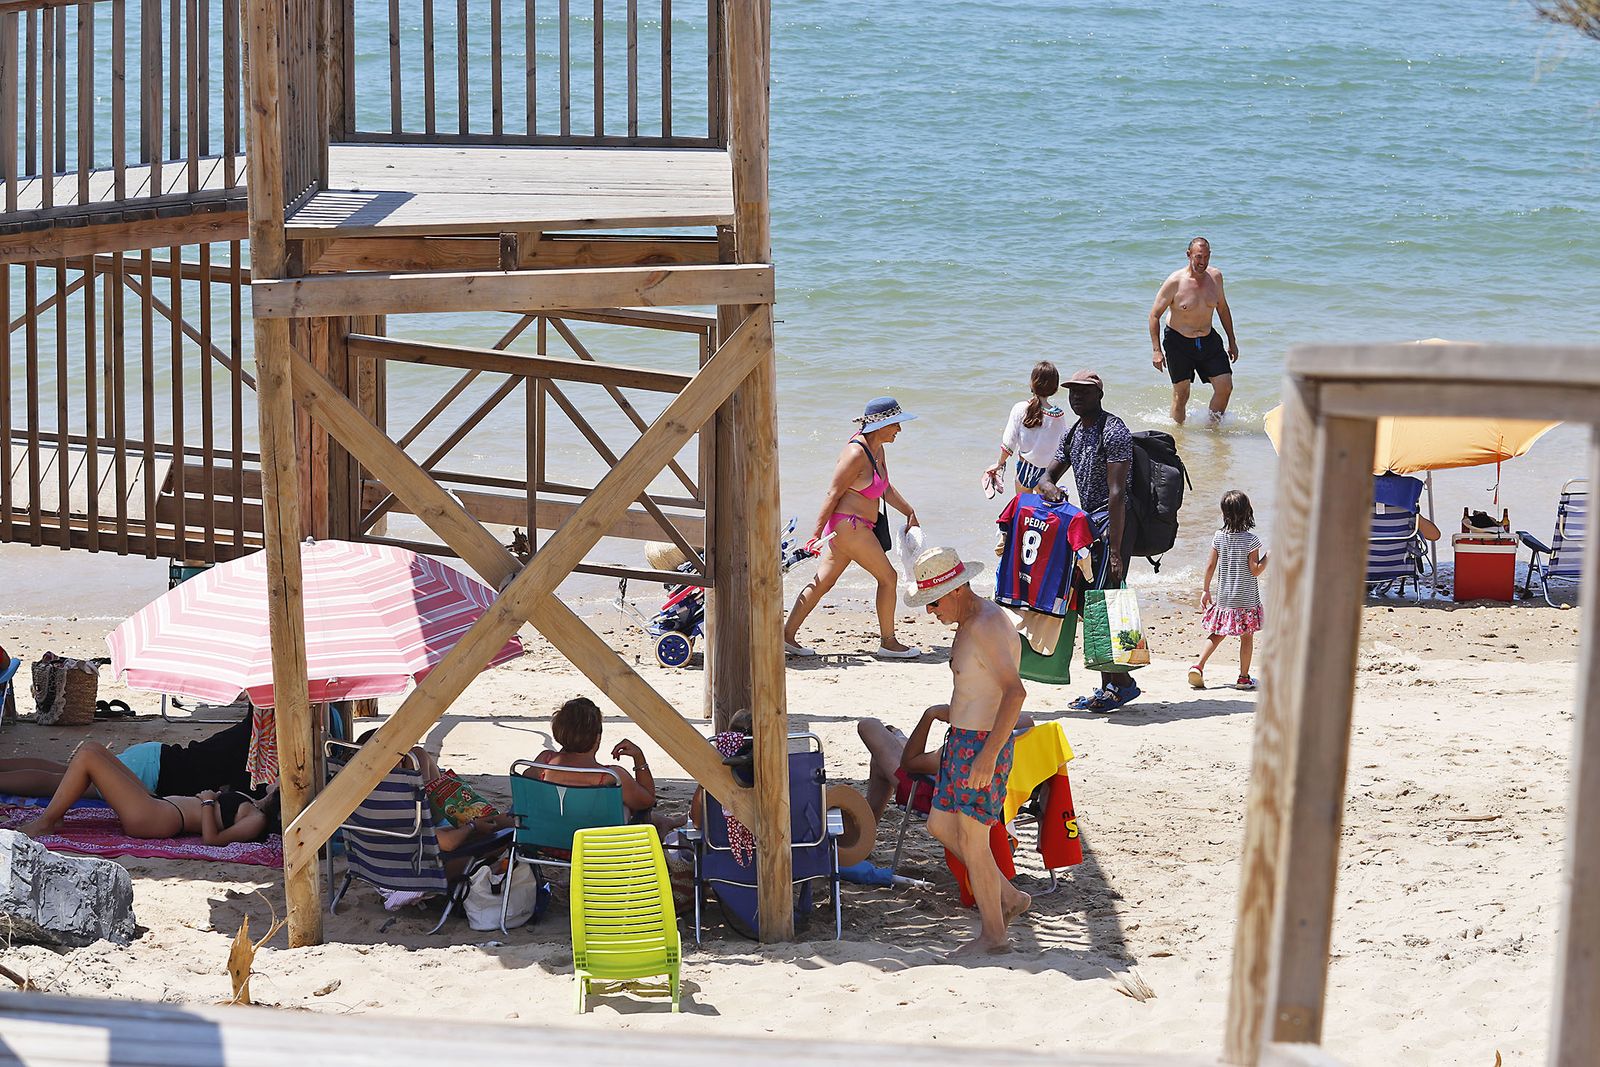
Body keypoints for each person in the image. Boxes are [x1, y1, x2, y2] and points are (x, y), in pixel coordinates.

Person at [903, 545, 1030, 955]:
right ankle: (1008, 896)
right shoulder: (970, 619)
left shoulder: (986, 625)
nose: (930, 612)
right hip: (961, 741)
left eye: (933, 602)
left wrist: (988, 756)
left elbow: (1015, 692)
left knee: (975, 843)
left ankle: (994, 937)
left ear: (956, 590)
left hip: (981, 744)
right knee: (940, 826)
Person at [783, 396, 922, 659]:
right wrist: (814, 535)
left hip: (857, 527)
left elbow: (886, 488)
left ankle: (786, 636)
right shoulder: (855, 453)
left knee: (824, 581)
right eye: (896, 424)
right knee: (888, 578)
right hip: (850, 526)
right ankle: (888, 643)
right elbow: (832, 494)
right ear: (881, 424)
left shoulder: (878, 448)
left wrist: (909, 511)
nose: (899, 430)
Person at [1036, 370, 1141, 712]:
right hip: (1091, 525)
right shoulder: (1074, 432)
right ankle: (1109, 684)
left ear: (1099, 394)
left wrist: (1115, 551)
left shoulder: (1114, 429)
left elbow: (1117, 492)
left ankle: (1121, 684)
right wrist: (1052, 490)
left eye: (1083, 392)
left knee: (1107, 602)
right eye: (1072, 392)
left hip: (1116, 523)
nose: (1076, 397)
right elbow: (1046, 476)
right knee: (1092, 603)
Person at [13, 740, 278, 844]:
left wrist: (208, 803)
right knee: (92, 749)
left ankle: (46, 822)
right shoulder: (253, 801)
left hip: (158, 818)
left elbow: (212, 841)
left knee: (86, 759)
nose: (277, 780)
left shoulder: (257, 820)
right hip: (160, 805)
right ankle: (56, 814)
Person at [0, 712, 255, 800]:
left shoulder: (247, 735)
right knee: (56, 784)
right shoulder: (254, 749)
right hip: (150, 773)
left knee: (63, 771)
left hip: (153, 757)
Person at [859, 707, 1035, 821]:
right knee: (880, 762)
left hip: (935, 796)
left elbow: (910, 764)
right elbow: (1024, 718)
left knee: (869, 726)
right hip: (996, 797)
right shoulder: (1019, 729)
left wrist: (930, 715)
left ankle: (862, 834)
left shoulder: (967, 746)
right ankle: (900, 739)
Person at [1148, 236, 1239, 425]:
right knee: (1182, 394)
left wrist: (1232, 341)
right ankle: (1179, 437)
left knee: (1225, 387)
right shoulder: (1175, 282)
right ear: (1188, 255)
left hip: (1207, 339)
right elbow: (1154, 315)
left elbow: (1222, 309)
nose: (1203, 262)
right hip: (1178, 341)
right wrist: (1157, 350)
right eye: (1198, 257)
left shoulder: (1216, 277)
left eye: (1206, 257)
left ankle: (1212, 430)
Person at [523, 696, 656, 820]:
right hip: (593, 843)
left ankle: (664, 822)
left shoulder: (544, 763)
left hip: (547, 839)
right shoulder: (611, 776)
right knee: (626, 807)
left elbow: (525, 787)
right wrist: (639, 758)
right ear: (597, 737)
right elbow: (648, 801)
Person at [1190, 491, 1269, 691]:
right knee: (1247, 637)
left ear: (1224, 513)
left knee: (1217, 633)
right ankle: (1243, 678)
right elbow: (1255, 570)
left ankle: (1198, 666)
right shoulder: (1251, 540)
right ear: (1248, 512)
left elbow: (1210, 566)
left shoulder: (1219, 537)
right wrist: (1269, 556)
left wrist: (1206, 590)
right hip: (1246, 600)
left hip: (1225, 598)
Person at [984, 362, 1070, 496]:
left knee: (1024, 511)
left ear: (1032, 383)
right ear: (1055, 387)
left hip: (1025, 470)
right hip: (1046, 476)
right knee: (1042, 514)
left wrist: (999, 464)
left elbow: (1008, 444)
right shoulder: (1058, 415)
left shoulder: (1020, 408)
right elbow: (1063, 447)